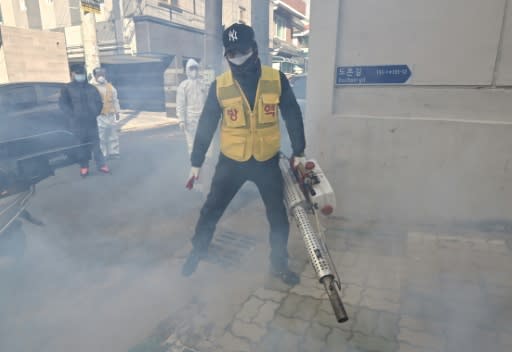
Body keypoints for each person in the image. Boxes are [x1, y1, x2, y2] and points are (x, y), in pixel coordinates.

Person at [181, 23, 306, 286]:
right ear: (227, 55)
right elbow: (206, 125)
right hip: (232, 163)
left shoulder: (276, 79)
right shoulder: (220, 85)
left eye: (243, 50)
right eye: (232, 53)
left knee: (277, 216)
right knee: (211, 210)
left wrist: (299, 151)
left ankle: (279, 264)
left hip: (266, 161)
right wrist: (196, 162)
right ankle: (198, 250)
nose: (239, 57)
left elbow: (292, 114)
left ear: (255, 49)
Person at [59, 64, 110, 177]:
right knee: (81, 145)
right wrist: (72, 115)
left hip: (91, 121)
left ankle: (101, 164)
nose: (80, 76)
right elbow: (63, 104)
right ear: (72, 74)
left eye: (82, 74)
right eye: (78, 74)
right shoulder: (67, 88)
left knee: (96, 144)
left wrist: (95, 112)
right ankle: (84, 166)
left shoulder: (91, 88)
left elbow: (99, 102)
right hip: (77, 123)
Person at [93, 67, 121, 159]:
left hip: (111, 115)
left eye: (103, 74)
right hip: (99, 115)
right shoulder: (92, 87)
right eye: (99, 74)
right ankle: (103, 154)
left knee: (113, 134)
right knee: (101, 136)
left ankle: (114, 152)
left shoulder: (111, 87)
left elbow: (115, 101)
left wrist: (117, 113)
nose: (101, 76)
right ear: (95, 76)